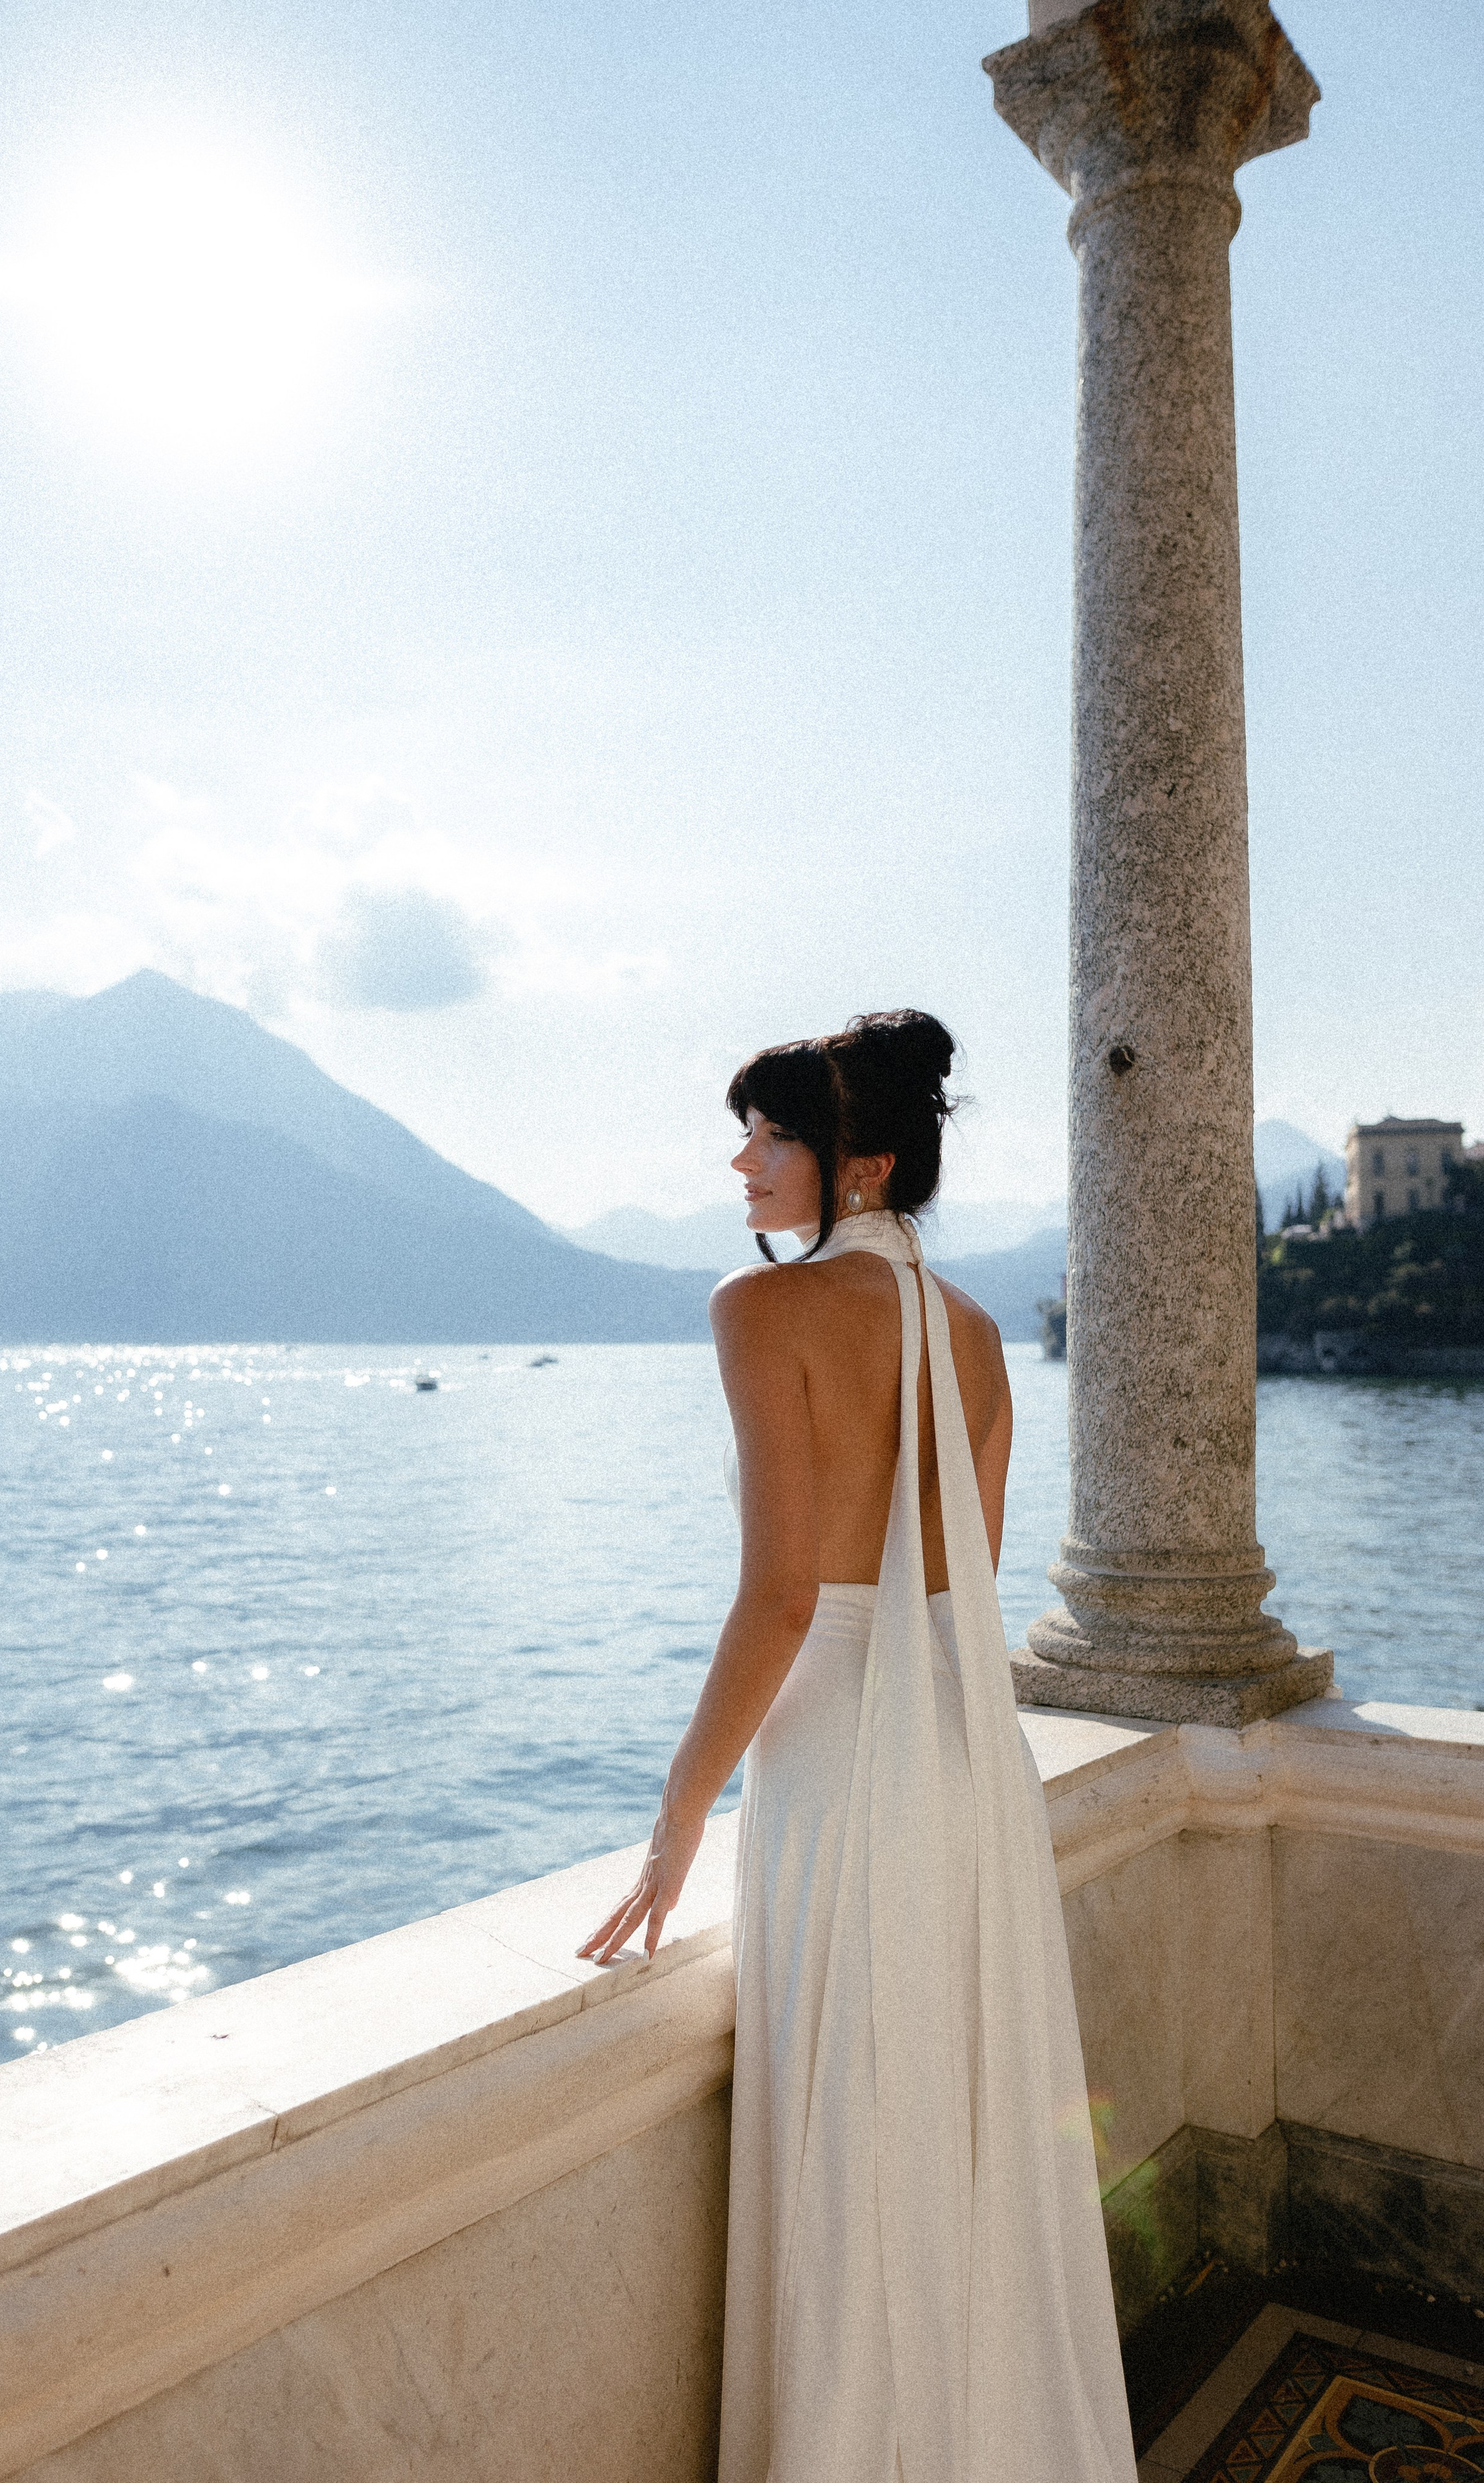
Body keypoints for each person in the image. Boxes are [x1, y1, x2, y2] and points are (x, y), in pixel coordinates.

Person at [579, 1009, 1137, 2483]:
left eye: (770, 1136)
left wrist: (679, 1812)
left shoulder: (758, 1312)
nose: (742, 1162)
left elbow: (776, 1600)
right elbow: (971, 1578)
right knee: (963, 2146)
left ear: (863, 1162)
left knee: (852, 2154)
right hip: (967, 1767)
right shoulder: (970, 1329)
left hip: (840, 1764)